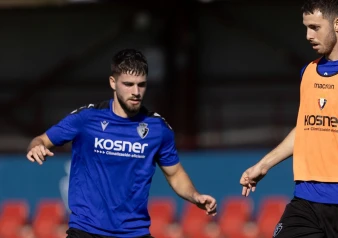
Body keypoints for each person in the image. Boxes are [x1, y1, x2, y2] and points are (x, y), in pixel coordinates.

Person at [239, 0, 338, 237]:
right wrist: (263, 165)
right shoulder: (308, 72)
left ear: (337, 24)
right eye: (306, 27)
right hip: (306, 198)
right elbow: (305, 129)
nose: (308, 35)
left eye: (315, 27)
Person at [26, 49, 217, 238]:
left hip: (134, 232)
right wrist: (36, 146)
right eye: (128, 84)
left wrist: (195, 196)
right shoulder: (87, 118)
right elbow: (42, 139)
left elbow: (174, 173)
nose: (136, 92)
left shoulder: (158, 128)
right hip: (86, 230)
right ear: (113, 83)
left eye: (141, 85)